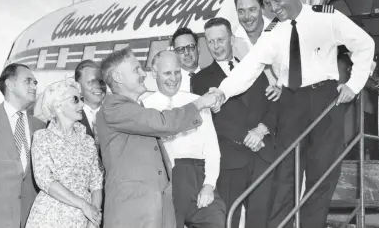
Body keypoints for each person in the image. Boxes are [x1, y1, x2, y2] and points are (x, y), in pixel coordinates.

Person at [209, 0, 375, 228]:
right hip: (290, 104)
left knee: (322, 177)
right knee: (284, 178)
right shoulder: (273, 32)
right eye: (268, 3)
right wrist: (222, 91)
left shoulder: (325, 18)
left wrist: (354, 85)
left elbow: (364, 44)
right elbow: (248, 67)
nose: (273, 8)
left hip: (325, 101)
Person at [96, 47, 218, 228]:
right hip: (132, 211)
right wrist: (201, 102)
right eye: (136, 69)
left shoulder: (135, 109)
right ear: (118, 78)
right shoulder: (113, 107)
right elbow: (163, 122)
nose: (143, 74)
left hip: (155, 208)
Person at [192, 17, 278, 228]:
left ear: (231, 39)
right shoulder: (200, 79)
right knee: (228, 220)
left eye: (220, 40)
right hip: (230, 161)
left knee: (260, 220)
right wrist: (248, 137)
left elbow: (272, 103)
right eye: (211, 42)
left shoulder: (254, 68)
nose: (216, 46)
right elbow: (213, 121)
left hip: (262, 156)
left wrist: (261, 129)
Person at [143, 50, 226, 228]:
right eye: (167, 73)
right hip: (163, 180)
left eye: (177, 72)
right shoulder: (144, 107)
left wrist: (209, 185)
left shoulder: (198, 101)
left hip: (196, 176)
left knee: (216, 219)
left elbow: (212, 148)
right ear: (154, 74)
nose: (173, 78)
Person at [25, 78, 103, 228]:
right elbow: (45, 180)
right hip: (50, 217)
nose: (82, 104)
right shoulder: (42, 137)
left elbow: (96, 183)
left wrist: (92, 220)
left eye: (81, 99)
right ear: (57, 105)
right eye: (75, 100)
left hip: (83, 219)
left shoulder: (88, 141)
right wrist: (84, 205)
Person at [0, 63, 46, 228]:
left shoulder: (41, 127)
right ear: (10, 84)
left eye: (35, 82)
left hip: (33, 219)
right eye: (28, 81)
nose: (34, 86)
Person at [233, 0, 282, 100]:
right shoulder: (232, 41)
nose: (247, 17)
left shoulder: (281, 31)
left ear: (263, 8)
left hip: (288, 104)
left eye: (252, 10)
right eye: (241, 11)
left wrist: (282, 87)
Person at [74, 59, 107, 153]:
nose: (98, 86)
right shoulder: (67, 117)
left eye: (101, 82)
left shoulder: (116, 115)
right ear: (78, 86)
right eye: (91, 82)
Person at [172, 27, 201, 93]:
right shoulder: (170, 85)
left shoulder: (213, 78)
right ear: (175, 54)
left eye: (190, 47)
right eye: (180, 49)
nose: (186, 53)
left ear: (198, 49)